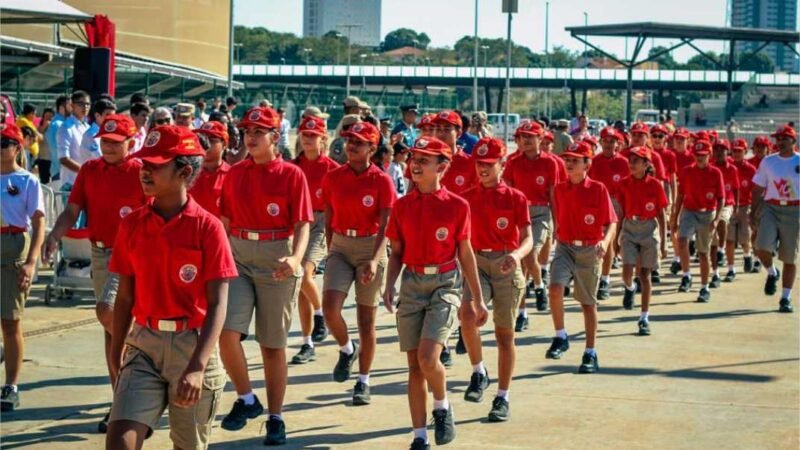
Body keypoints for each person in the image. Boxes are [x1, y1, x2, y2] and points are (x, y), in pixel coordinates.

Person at [103, 124, 234, 449]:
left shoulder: (208, 228)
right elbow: (125, 298)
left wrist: (198, 367)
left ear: (184, 172)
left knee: (186, 446)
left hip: (192, 345)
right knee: (119, 441)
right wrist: (115, 353)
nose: (144, 171)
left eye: (155, 165)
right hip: (144, 345)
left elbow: (218, 304)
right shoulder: (132, 224)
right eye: (143, 162)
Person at [43, 114, 145, 430]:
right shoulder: (90, 170)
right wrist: (54, 234)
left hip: (131, 254)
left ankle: (146, 360)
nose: (109, 146)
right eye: (104, 141)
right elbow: (73, 209)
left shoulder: (143, 171)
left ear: (131, 142)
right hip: (100, 253)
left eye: (116, 142)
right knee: (110, 328)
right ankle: (121, 400)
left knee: (107, 311)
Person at [218, 106, 312, 445]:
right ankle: (247, 399)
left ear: (276, 136)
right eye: (247, 131)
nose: (251, 137)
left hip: (277, 258)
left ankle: (276, 417)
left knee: (272, 345)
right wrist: (222, 254)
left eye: (259, 131)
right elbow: (225, 220)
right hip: (239, 256)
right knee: (226, 333)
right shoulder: (234, 173)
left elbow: (303, 222)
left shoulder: (291, 174)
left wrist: (297, 258)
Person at [383, 136, 483, 449]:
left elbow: (465, 253)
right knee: (414, 366)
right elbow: (397, 252)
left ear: (442, 167)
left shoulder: (457, 205)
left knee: (429, 357)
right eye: (414, 158)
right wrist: (389, 285)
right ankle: (419, 436)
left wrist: (477, 297)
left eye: (424, 160)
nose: (415, 164)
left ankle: (442, 406)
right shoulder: (401, 206)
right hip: (412, 284)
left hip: (445, 283)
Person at [319, 121, 394, 404]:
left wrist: (375, 259)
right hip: (340, 245)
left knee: (366, 321)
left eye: (359, 142)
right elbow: (327, 216)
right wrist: (330, 249)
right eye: (350, 140)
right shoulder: (333, 177)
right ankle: (346, 348)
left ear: (372, 149)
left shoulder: (381, 180)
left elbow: (387, 224)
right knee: (330, 309)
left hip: (370, 246)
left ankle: (363, 381)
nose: (352, 146)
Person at [460, 136, 532, 421]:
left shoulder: (515, 197)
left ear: (503, 164)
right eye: (480, 163)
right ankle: (479, 371)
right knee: (467, 315)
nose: (483, 169)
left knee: (504, 336)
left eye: (490, 164)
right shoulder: (466, 198)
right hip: (476, 263)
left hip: (505, 265)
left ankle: (503, 396)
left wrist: (516, 255)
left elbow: (528, 237)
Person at [545, 141, 617, 374]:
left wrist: (604, 243)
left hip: (589, 250)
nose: (568, 163)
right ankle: (560, 336)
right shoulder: (559, 189)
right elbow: (558, 214)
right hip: (565, 247)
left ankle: (590, 352)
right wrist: (558, 231)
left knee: (587, 303)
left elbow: (612, 222)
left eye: (575, 160)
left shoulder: (598, 189)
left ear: (587, 164)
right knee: (555, 288)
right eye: (567, 159)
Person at [0, 124, 45, 412]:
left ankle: (11, 385)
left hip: (14, 246)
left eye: (6, 141)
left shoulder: (27, 181)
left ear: (18, 146)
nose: (1, 146)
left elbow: (39, 222)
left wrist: (31, 262)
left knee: (10, 321)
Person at [290, 115, 339, 365]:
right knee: (299, 284)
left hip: (320, 222)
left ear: (323, 138)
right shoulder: (293, 166)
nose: (308, 139)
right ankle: (307, 342)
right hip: (298, 223)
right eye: (304, 134)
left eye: (313, 135)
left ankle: (320, 315)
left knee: (305, 273)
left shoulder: (331, 168)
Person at [504, 120, 560, 329]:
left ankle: (538, 285)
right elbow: (508, 192)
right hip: (518, 214)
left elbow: (553, 194)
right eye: (522, 136)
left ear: (541, 139)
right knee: (519, 265)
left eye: (530, 136)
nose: (525, 140)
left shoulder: (550, 163)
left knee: (529, 254)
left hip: (540, 213)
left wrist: (557, 222)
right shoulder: (513, 162)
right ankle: (522, 313)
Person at [616, 146, 668, 335]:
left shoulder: (655, 185)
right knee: (627, 272)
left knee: (645, 275)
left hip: (649, 229)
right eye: (630, 161)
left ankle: (644, 317)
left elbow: (661, 214)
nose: (631, 164)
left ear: (646, 164)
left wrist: (663, 242)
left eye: (636, 161)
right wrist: (616, 238)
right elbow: (621, 212)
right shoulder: (623, 184)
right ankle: (630, 288)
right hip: (630, 228)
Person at [751, 124, 799, 313]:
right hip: (771, 207)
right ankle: (772, 272)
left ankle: (785, 298)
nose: (779, 142)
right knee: (761, 247)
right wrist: (752, 211)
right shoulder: (768, 162)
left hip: (795, 210)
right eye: (777, 139)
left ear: (793, 141)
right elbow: (758, 188)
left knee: (789, 257)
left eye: (784, 138)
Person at [672, 140, 725, 303]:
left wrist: (716, 219)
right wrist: (675, 216)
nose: (700, 158)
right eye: (697, 155)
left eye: (703, 155)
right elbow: (680, 195)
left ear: (709, 155)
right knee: (682, 241)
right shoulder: (687, 171)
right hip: (689, 211)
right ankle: (686, 275)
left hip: (707, 213)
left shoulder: (716, 173)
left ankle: (704, 287)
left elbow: (721, 198)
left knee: (703, 253)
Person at [588, 127, 629, 300]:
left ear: (617, 144)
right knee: (593, 240)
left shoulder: (623, 162)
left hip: (614, 202)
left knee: (609, 241)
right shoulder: (593, 161)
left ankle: (605, 279)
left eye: (612, 141)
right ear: (600, 142)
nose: (608, 144)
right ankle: (592, 276)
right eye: (605, 141)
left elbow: (628, 186)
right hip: (595, 203)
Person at [709, 139, 740, 288]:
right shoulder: (710, 167)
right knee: (711, 243)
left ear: (728, 152)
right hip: (711, 205)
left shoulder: (732, 169)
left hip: (727, 204)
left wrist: (737, 204)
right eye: (717, 149)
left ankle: (724, 255)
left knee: (722, 223)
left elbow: (736, 188)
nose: (720, 152)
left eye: (723, 149)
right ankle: (715, 274)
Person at [726, 139, 757, 279]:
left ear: (745, 152)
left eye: (740, 151)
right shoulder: (727, 167)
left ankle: (747, 255)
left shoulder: (750, 169)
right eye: (735, 151)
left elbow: (755, 190)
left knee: (745, 237)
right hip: (730, 206)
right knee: (730, 239)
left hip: (745, 206)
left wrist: (755, 209)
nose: (737, 153)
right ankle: (731, 268)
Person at [190, 121, 230, 218]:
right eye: (202, 139)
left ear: (224, 144)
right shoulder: (188, 173)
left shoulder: (232, 175)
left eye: (211, 140)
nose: (205, 144)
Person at [437, 110, 477, 197]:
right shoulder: (428, 161)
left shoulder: (470, 163)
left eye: (447, 129)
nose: (441, 133)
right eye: (438, 129)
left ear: (458, 133)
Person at [57, 90, 91, 189]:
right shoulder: (66, 127)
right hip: (71, 184)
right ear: (72, 106)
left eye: (88, 104)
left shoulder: (87, 127)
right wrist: (85, 171)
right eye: (81, 104)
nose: (85, 107)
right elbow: (64, 158)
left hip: (86, 182)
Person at [79, 99, 117, 164]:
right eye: (108, 115)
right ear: (97, 115)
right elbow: (103, 159)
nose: (111, 119)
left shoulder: (110, 133)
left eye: (113, 116)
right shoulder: (90, 135)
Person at [45, 95, 71, 187]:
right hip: (62, 172)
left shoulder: (56, 123)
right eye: (70, 105)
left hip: (59, 171)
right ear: (61, 108)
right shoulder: (60, 125)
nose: (72, 108)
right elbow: (60, 152)